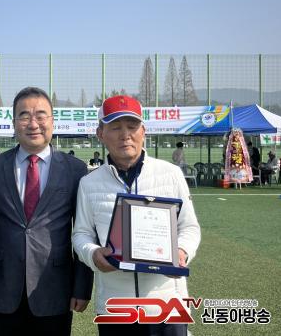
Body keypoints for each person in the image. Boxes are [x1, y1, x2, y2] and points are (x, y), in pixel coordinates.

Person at [72, 95, 201, 336]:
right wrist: (93, 254)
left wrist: (181, 252)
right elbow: (81, 234)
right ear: (100, 133)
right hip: (116, 308)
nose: (125, 135)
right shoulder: (89, 183)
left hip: (167, 305)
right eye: (115, 127)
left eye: (132, 126)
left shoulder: (170, 174)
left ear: (144, 131)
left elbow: (189, 227)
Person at [0, 87, 93, 336]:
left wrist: (82, 286)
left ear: (52, 121)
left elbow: (83, 230)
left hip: (54, 287)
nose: (33, 124)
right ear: (14, 123)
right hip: (3, 284)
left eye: (41, 115)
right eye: (24, 115)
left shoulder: (75, 169)